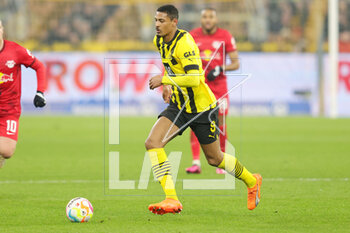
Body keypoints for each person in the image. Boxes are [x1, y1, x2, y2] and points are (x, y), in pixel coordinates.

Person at [146, 5, 262, 215]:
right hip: (179, 106)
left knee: (214, 158)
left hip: (202, 108)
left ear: (174, 22)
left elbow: (195, 78)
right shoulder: (159, 41)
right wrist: (168, 85)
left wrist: (163, 79)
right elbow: (170, 64)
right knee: (153, 143)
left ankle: (252, 181)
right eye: (155, 20)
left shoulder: (185, 43)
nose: (156, 25)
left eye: (161, 21)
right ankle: (171, 199)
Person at [186, 8, 240, 174]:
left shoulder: (225, 36)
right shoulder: (192, 36)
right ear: (201, 19)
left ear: (216, 19)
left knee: (220, 123)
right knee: (195, 122)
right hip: (200, 87)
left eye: (211, 17)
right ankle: (196, 163)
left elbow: (236, 63)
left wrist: (221, 68)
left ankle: (221, 161)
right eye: (204, 17)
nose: (208, 20)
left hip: (219, 88)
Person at [0, 20, 47, 168]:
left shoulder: (15, 50)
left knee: (7, 151)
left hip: (9, 110)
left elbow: (39, 66)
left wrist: (40, 92)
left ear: (2, 29)